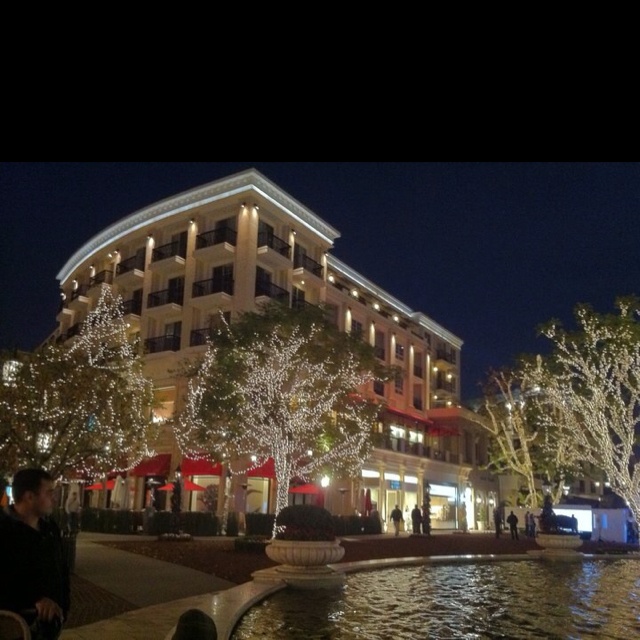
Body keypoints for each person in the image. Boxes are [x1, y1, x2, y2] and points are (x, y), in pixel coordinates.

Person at [0, 468, 70, 640]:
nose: (54, 498)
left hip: (48, 628)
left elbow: (61, 571)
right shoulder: (4, 531)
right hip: (13, 629)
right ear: (29, 496)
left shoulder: (50, 528)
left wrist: (61, 607)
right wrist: (34, 602)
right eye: (49, 493)